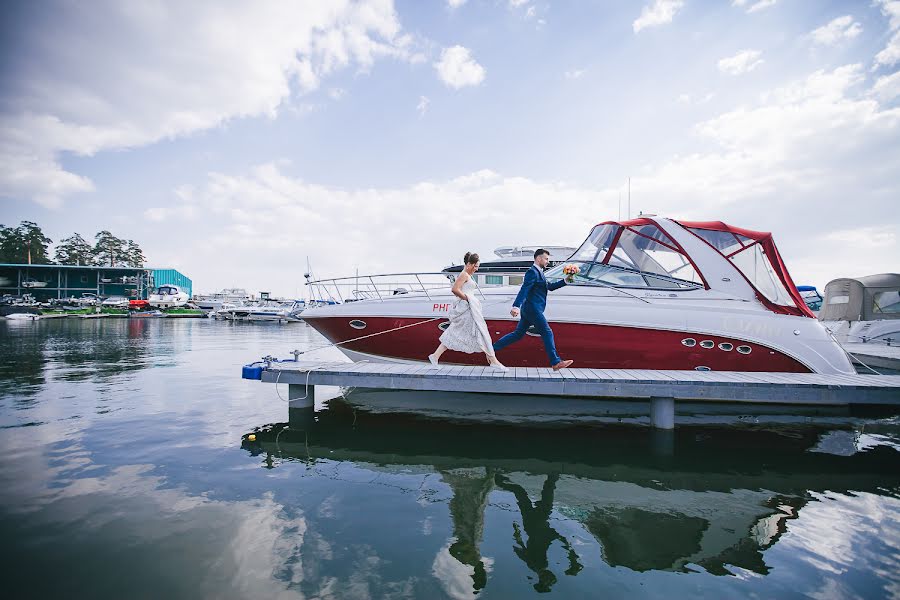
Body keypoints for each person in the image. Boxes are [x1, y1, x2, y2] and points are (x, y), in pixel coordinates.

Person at [493, 248, 574, 370]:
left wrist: (566, 280)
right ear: (538, 258)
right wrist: (516, 306)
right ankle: (555, 362)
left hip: (530, 309)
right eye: (546, 259)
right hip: (532, 309)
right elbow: (524, 289)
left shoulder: (539, 272)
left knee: (518, 334)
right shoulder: (532, 272)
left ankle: (492, 349)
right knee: (547, 332)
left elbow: (550, 287)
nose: (548, 262)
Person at [429, 252, 507, 370]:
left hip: (470, 308)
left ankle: (435, 356)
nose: (476, 269)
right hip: (467, 308)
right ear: (469, 264)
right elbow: (455, 289)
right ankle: (493, 361)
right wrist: (467, 298)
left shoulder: (467, 275)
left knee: (456, 333)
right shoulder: (464, 275)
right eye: (475, 266)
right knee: (482, 333)